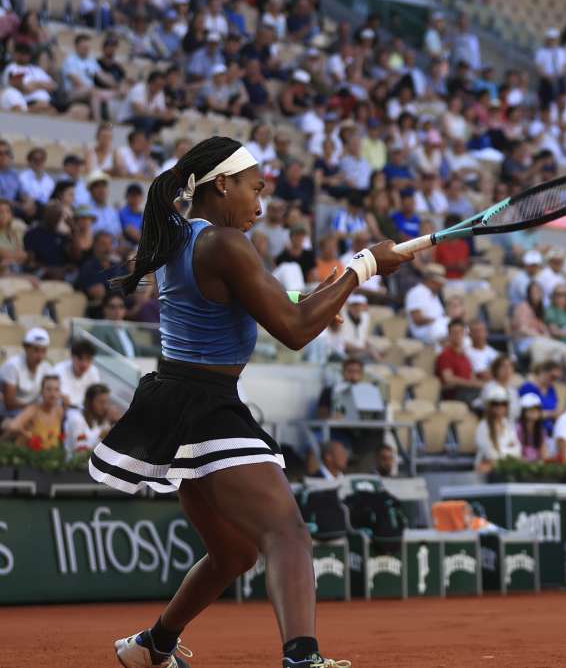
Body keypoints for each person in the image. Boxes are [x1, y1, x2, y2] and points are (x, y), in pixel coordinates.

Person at [88, 137, 409, 668]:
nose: (260, 205)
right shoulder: (225, 243)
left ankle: (153, 646)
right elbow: (294, 331)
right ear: (223, 185)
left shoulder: (182, 239)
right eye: (255, 190)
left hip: (174, 400)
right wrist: (362, 267)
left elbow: (259, 302)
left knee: (234, 553)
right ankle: (302, 659)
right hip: (206, 405)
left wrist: (323, 295)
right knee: (288, 534)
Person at [2, 375, 64, 450]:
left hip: (49, 456)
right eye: (48, 389)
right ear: (42, 392)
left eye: (56, 390)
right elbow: (13, 426)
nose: (53, 394)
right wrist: (27, 435)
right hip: (30, 456)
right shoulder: (33, 409)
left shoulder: (59, 410)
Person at [0, 327, 53, 412]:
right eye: (36, 350)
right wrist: (34, 408)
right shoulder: (12, 366)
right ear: (26, 348)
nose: (40, 356)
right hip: (9, 412)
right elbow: (9, 403)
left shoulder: (46, 367)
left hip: (30, 410)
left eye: (43, 351)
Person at [435, 318, 484, 405]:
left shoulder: (465, 356)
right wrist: (472, 384)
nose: (458, 335)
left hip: (469, 391)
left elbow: (472, 377)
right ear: (449, 335)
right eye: (454, 332)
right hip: (455, 395)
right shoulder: (445, 355)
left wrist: (481, 384)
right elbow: (448, 379)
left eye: (461, 332)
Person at [474, 385, 519, 472]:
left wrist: (505, 454)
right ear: (489, 406)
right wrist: (508, 450)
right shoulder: (483, 427)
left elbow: (517, 450)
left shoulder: (508, 425)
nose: (500, 407)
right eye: (495, 404)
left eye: (503, 404)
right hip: (490, 471)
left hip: (507, 467)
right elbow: (490, 454)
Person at [63, 383, 114, 454]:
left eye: (106, 402)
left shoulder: (101, 419)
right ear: (89, 401)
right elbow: (80, 452)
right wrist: (100, 438)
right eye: (101, 402)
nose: (105, 406)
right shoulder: (76, 419)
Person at [53, 340, 102, 408]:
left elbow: (97, 396)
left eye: (88, 359)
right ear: (72, 357)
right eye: (80, 358)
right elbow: (52, 395)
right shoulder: (58, 370)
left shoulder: (94, 371)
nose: (84, 364)